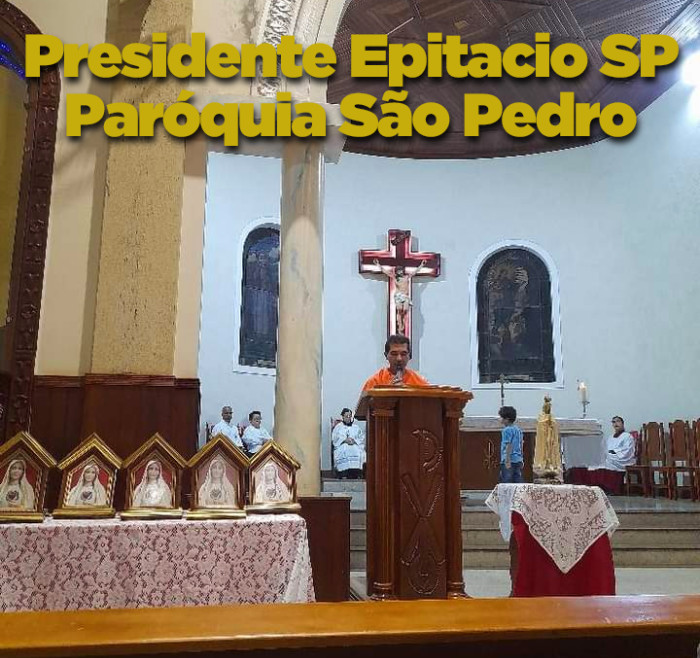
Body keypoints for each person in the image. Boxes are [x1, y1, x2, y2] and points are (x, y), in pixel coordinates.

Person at [373, 259, 426, 335]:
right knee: (399, 309)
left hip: (405, 296)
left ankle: (402, 323)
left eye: (401, 270)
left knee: (405, 310)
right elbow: (385, 272)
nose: (400, 272)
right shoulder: (395, 277)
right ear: (396, 272)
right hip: (398, 295)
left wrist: (422, 265)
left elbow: (415, 271)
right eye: (398, 271)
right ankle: (400, 326)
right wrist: (378, 264)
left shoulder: (407, 277)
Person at [362, 334, 430, 389]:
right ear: (386, 355)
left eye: (403, 354)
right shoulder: (375, 382)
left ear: (409, 356)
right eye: (394, 354)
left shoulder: (420, 383)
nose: (399, 359)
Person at [332, 408, 366, 479]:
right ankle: (343, 473)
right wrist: (344, 440)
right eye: (346, 416)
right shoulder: (338, 427)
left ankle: (356, 473)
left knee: (358, 452)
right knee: (344, 452)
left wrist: (354, 440)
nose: (348, 418)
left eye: (349, 416)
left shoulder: (356, 427)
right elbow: (335, 438)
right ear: (343, 417)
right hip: (342, 445)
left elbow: (361, 437)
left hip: (354, 445)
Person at [499, 406, 524, 483]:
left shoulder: (506, 430)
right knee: (517, 481)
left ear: (507, 419)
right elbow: (521, 444)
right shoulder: (518, 430)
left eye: (501, 417)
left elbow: (508, 445)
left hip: (509, 460)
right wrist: (521, 458)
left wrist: (507, 460)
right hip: (518, 459)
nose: (500, 419)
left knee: (507, 482)